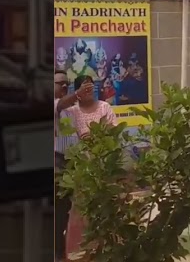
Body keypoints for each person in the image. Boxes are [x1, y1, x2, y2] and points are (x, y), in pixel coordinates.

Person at [60, 74, 116, 260]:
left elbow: (113, 133)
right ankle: (91, 249)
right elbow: (67, 140)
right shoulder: (72, 112)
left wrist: (97, 138)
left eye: (92, 87)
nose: (89, 91)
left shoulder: (104, 107)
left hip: (104, 166)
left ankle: (109, 246)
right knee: (86, 211)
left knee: (107, 207)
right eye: (85, 88)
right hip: (82, 170)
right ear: (77, 91)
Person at [53, 71, 82, 261]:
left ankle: (61, 255)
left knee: (64, 214)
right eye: (60, 83)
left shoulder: (72, 110)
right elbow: (61, 103)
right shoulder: (55, 105)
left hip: (71, 164)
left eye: (66, 83)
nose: (64, 86)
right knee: (56, 214)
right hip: (56, 163)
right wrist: (80, 92)